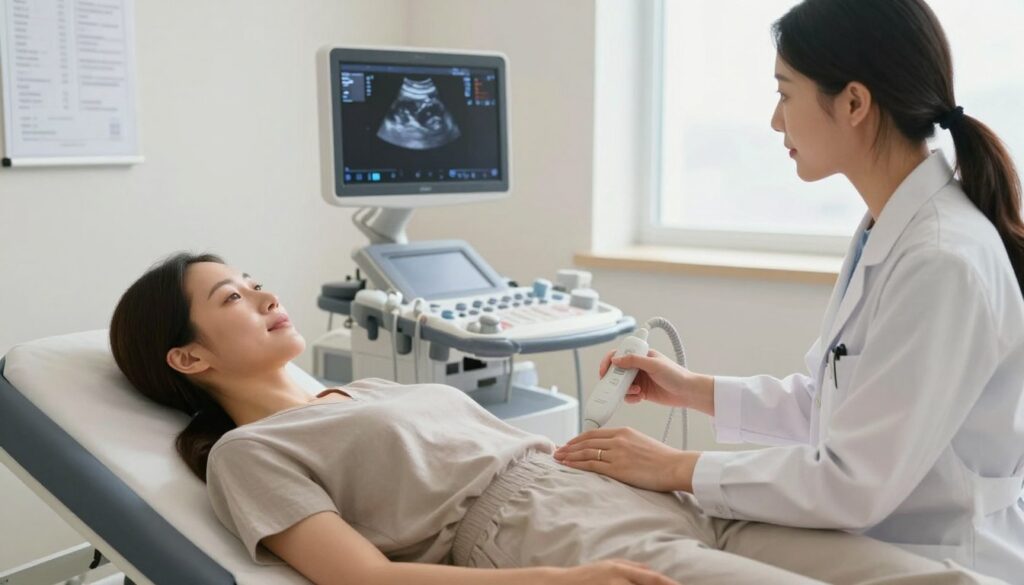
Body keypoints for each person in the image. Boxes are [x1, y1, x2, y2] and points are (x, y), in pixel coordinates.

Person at [107, 253, 999, 585]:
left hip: (623, 478)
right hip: (546, 528)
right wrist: (564, 580)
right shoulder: (248, 454)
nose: (261, 291)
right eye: (230, 295)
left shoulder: (365, 394)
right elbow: (365, 581)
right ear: (189, 357)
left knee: (922, 577)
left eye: (253, 278)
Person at [555, 0, 1024, 581]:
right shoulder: (893, 229)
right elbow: (834, 407)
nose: (777, 122)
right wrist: (691, 390)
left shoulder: (941, 261)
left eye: (784, 93)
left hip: (941, 556)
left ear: (854, 103)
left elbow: (853, 483)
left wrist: (676, 467)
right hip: (884, 537)